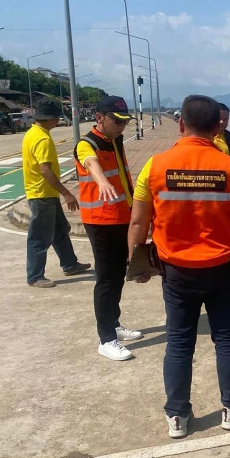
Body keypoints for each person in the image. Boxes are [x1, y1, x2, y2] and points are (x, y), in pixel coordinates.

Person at [128, 95, 230, 439]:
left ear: (180, 124)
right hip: (224, 269)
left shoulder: (155, 166)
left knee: (178, 342)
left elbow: (138, 223)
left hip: (176, 271)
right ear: (218, 126)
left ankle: (177, 415)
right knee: (228, 339)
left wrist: (136, 263)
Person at [74, 96, 143, 361]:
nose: (122, 126)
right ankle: (106, 339)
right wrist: (101, 180)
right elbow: (90, 162)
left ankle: (113, 323)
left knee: (117, 275)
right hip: (100, 220)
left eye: (125, 122)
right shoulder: (86, 143)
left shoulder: (115, 139)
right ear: (99, 117)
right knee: (105, 279)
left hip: (121, 216)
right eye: (117, 121)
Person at [22, 99, 90, 288]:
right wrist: (67, 193)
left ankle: (70, 264)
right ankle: (35, 276)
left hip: (45, 193)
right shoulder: (42, 139)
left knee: (60, 230)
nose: (58, 120)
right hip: (42, 194)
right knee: (39, 237)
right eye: (57, 117)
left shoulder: (32, 133)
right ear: (50, 119)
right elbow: (45, 170)